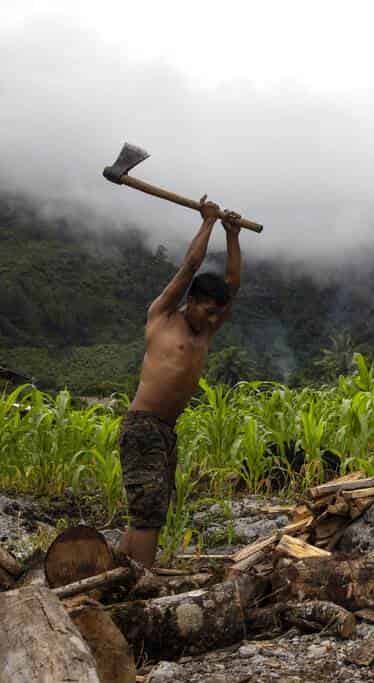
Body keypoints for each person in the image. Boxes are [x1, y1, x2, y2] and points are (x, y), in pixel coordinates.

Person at [118, 198, 243, 566]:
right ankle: (140, 581)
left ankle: (124, 570)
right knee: (148, 511)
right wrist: (207, 223)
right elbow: (189, 267)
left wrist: (232, 235)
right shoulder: (162, 317)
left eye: (217, 312)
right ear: (192, 301)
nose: (212, 317)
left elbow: (232, 285)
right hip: (142, 426)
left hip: (165, 431)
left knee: (152, 506)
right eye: (207, 308)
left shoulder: (205, 333)